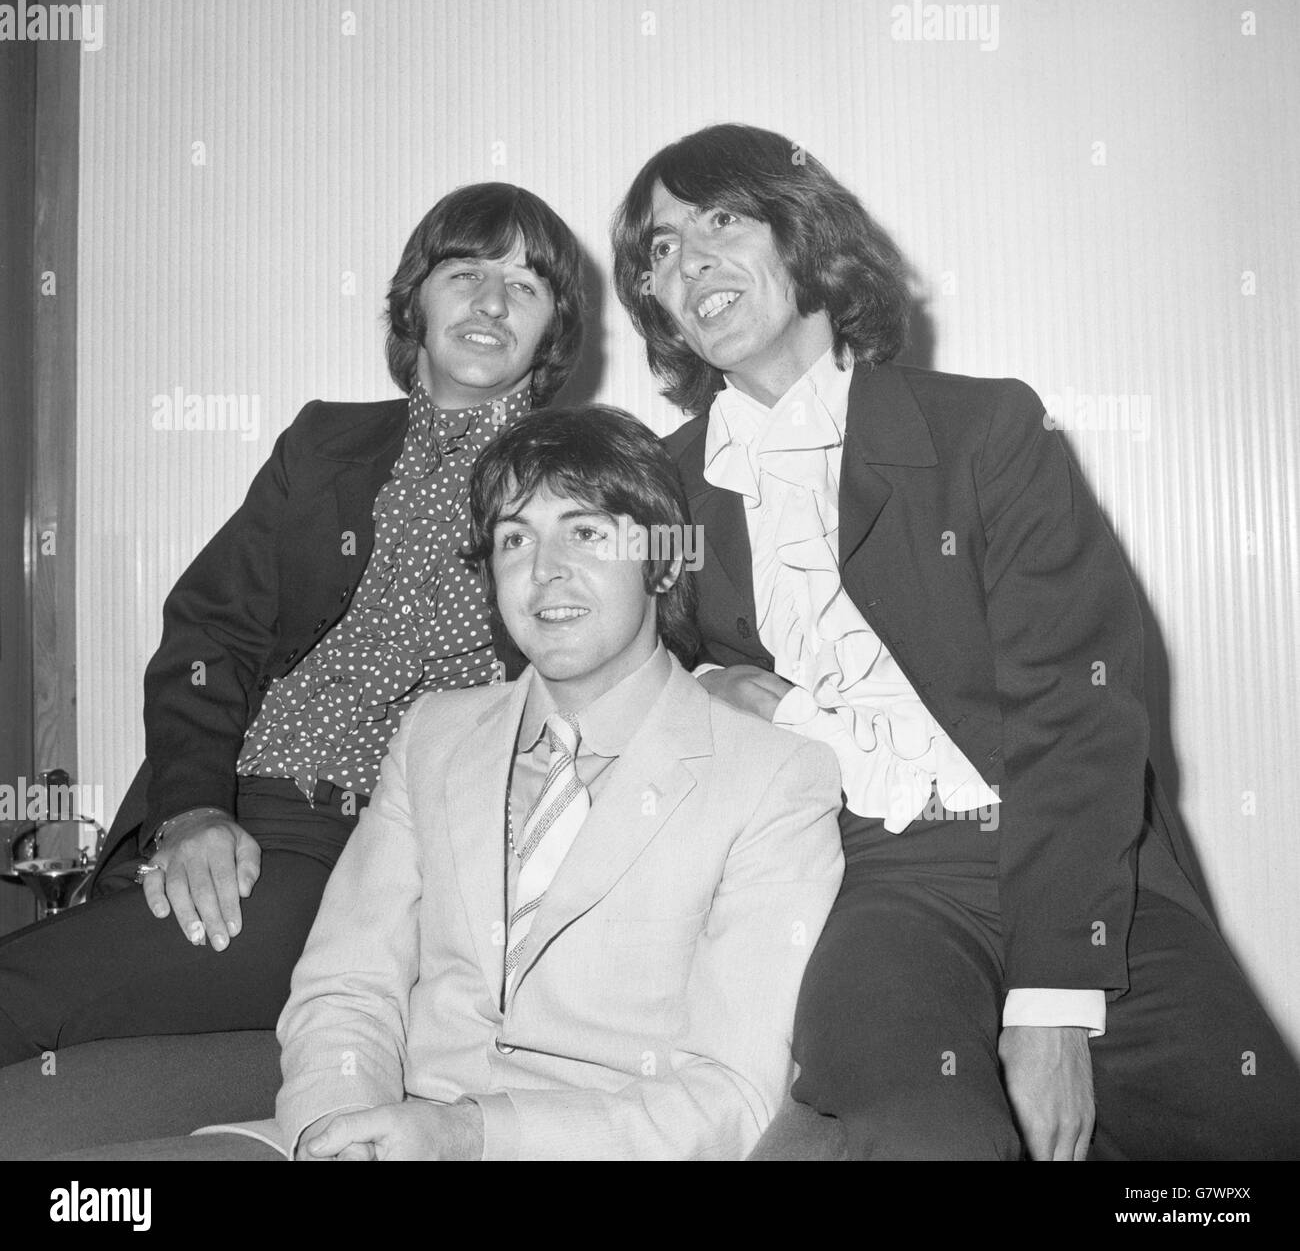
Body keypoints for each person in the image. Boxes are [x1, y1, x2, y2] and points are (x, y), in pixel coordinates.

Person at [610, 122, 1300, 1160]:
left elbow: (1082, 710)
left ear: (800, 233)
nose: (688, 258)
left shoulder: (984, 429)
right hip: (873, 879)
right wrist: (702, 681)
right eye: (657, 248)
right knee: (916, 1128)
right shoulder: (660, 485)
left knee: (1250, 1134)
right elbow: (602, 665)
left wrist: (1053, 1000)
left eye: (717, 219)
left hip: (1069, 862)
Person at [93, 405, 841, 1160]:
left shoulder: (774, 778)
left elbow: (731, 1098)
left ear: (666, 562)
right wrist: (344, 1125)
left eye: (585, 531)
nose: (544, 569)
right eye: (515, 538)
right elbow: (345, 988)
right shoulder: (435, 736)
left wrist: (470, 1135)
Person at [0, 183, 585, 1068]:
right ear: (417, 301)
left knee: (34, 992)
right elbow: (210, 634)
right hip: (232, 801)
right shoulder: (321, 447)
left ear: (551, 333)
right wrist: (194, 809)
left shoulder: (576, 484)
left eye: (527, 285)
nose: (493, 302)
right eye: (466, 271)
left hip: (376, 847)